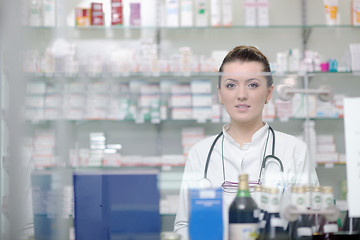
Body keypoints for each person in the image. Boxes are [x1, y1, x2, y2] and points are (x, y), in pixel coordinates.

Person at [173, 45, 319, 240]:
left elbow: (312, 222)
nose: (241, 95)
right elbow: (184, 225)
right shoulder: (200, 153)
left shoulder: (294, 150)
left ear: (268, 93)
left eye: (252, 85)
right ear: (219, 94)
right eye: (231, 85)